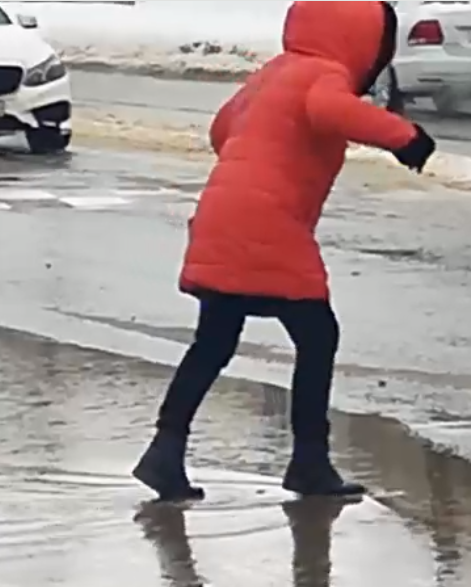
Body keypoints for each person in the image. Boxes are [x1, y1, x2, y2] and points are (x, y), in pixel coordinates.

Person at [133, 0, 435, 502]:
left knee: (213, 342)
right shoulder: (325, 76)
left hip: (220, 213)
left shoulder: (272, 74)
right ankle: (309, 463)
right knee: (318, 336)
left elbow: (221, 128)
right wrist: (405, 138)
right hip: (269, 223)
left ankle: (165, 451)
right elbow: (332, 111)